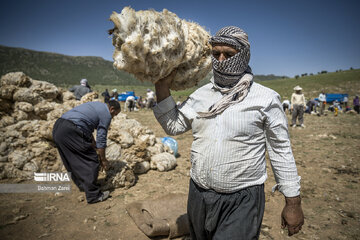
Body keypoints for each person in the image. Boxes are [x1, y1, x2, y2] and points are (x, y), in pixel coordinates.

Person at [153, 26, 304, 239]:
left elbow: (280, 150)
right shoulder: (201, 95)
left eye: (229, 54)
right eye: (216, 54)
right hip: (198, 194)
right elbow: (173, 126)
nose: (221, 59)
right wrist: (161, 85)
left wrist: (293, 203)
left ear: (243, 56)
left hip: (243, 200)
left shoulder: (266, 99)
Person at [52, 100, 121, 204]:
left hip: (58, 126)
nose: (113, 117)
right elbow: (101, 139)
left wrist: (92, 142)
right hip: (71, 130)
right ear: (111, 109)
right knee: (91, 160)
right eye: (114, 114)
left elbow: (86, 125)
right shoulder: (106, 114)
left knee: (71, 159)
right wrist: (103, 159)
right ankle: (94, 196)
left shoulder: (97, 105)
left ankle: (83, 185)